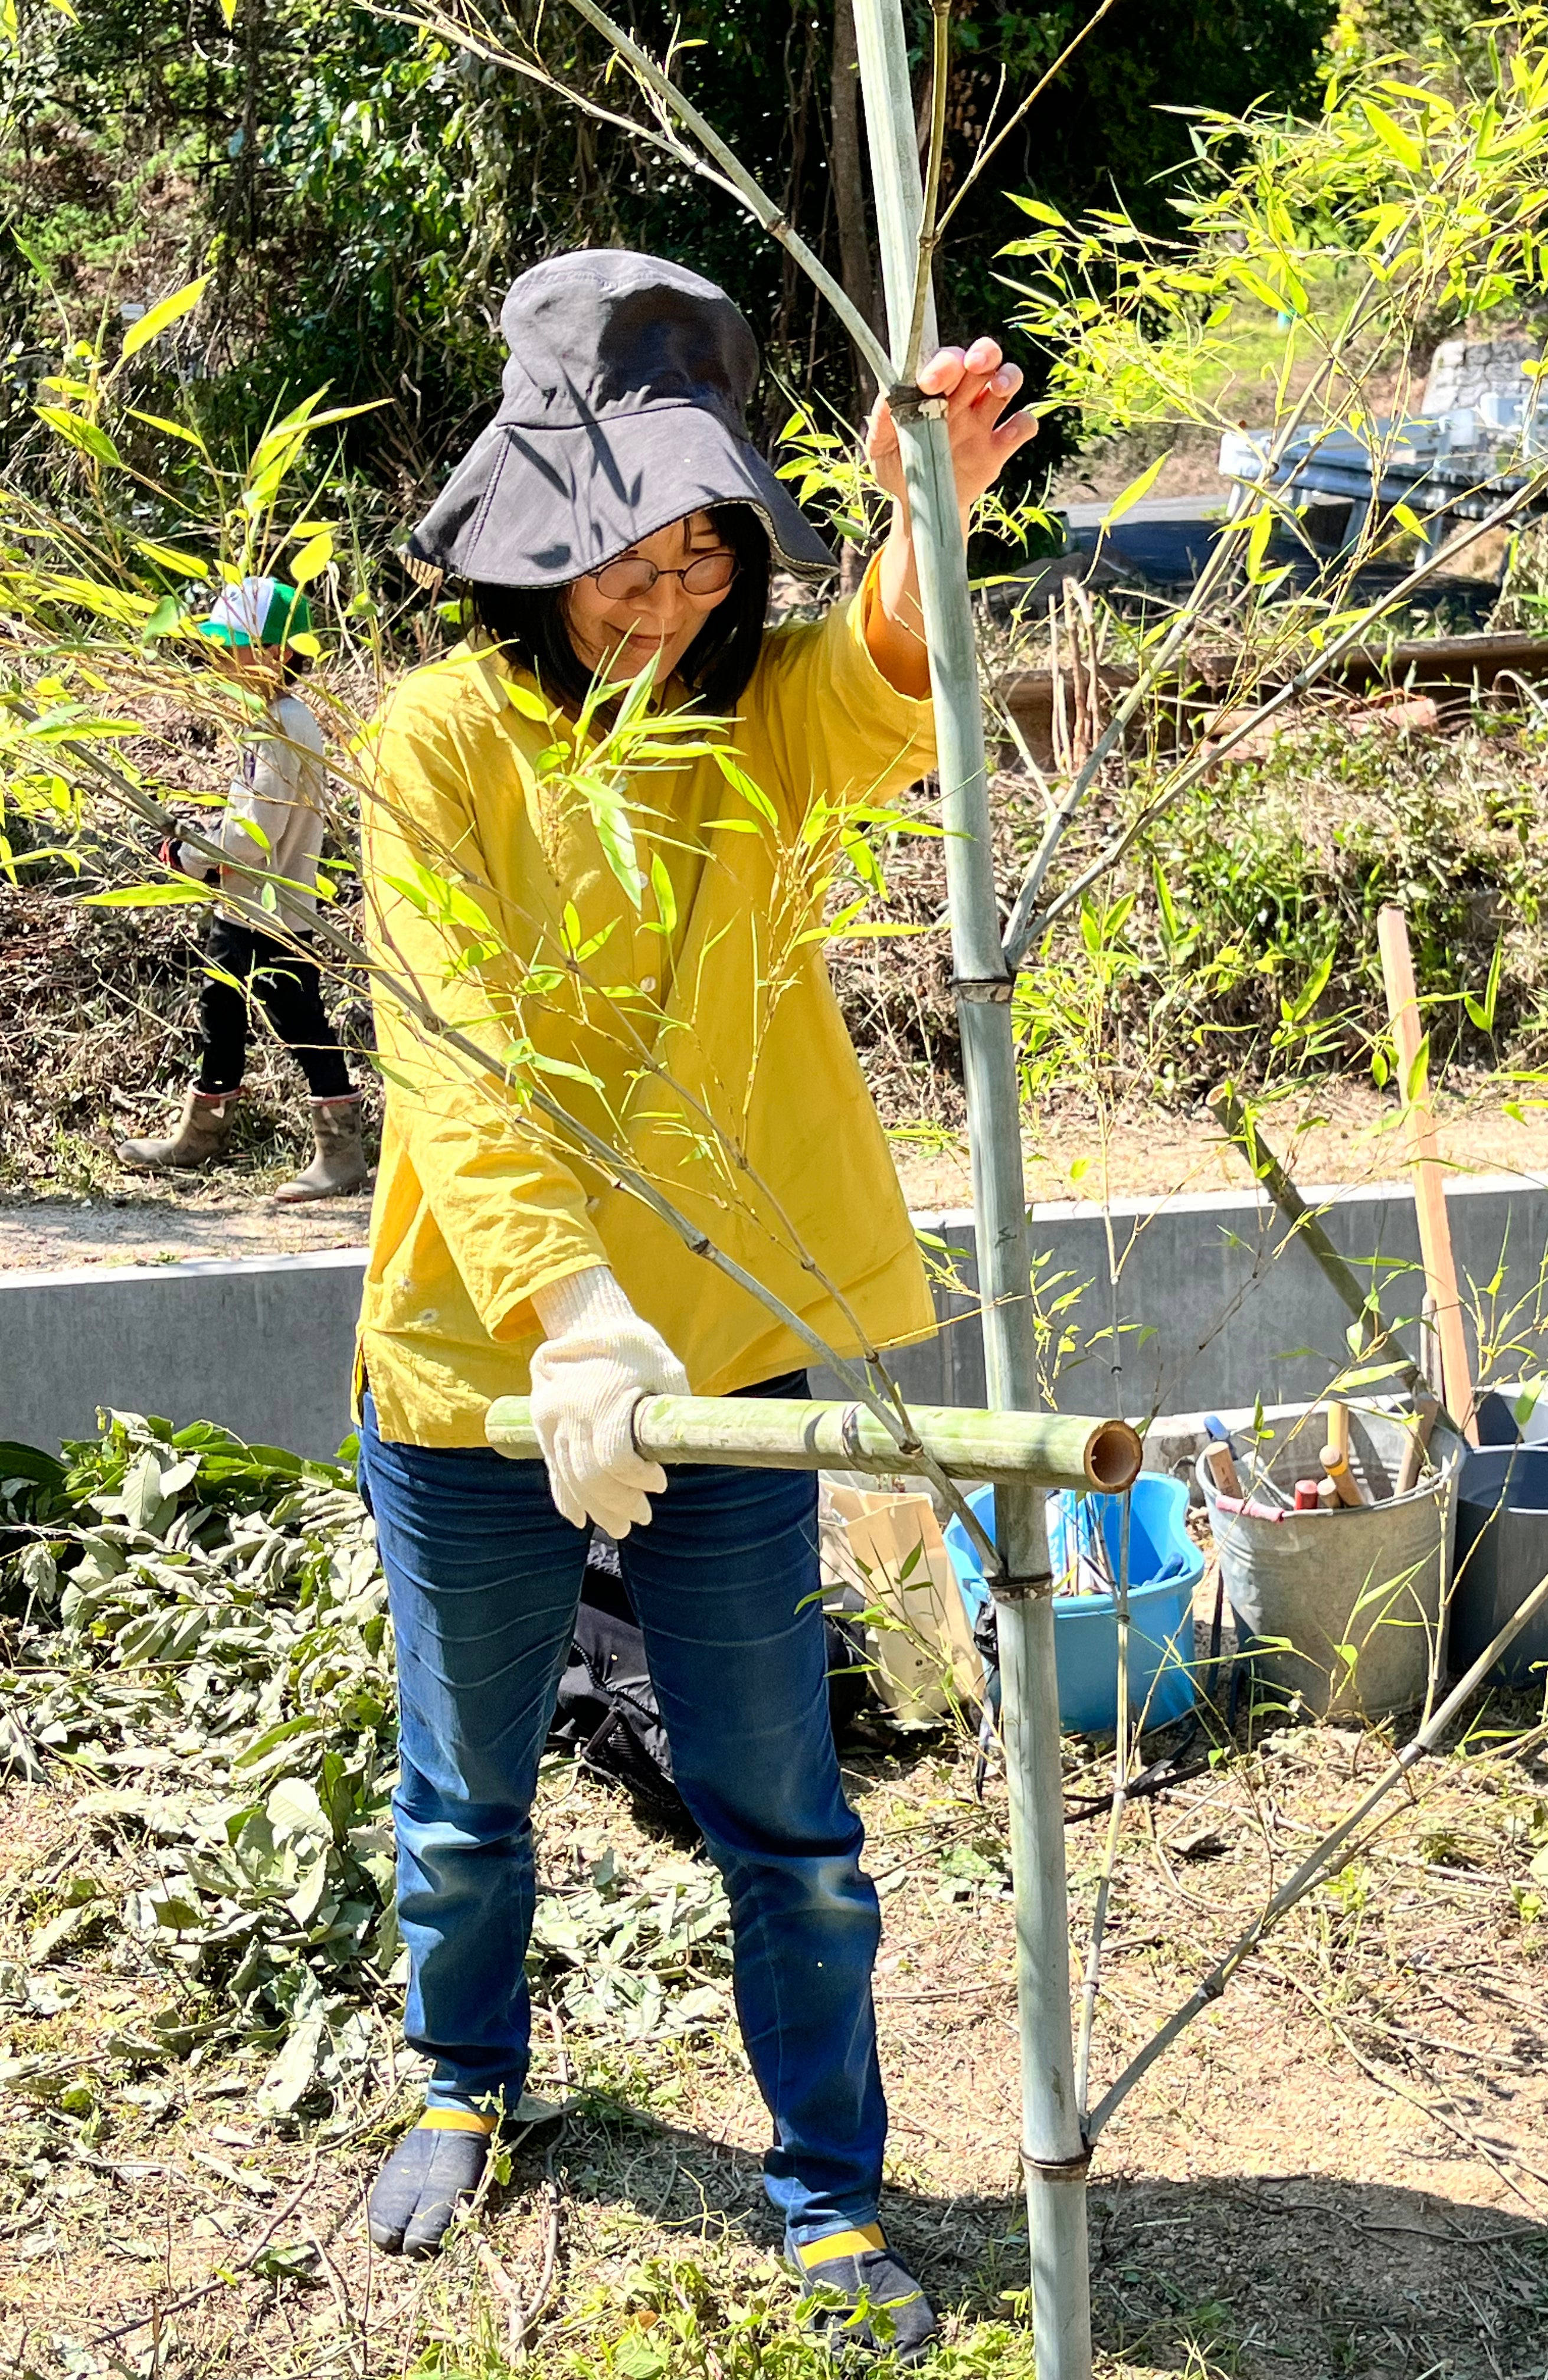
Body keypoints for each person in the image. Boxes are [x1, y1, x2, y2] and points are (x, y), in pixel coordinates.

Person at [352, 249, 1034, 2359]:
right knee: (466, 1788)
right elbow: (450, 1062)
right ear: (524, 542)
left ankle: (827, 2184)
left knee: (785, 1807)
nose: (655, 601)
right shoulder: (431, 747)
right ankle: (463, 2076)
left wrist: (922, 526)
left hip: (726, 1369)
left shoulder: (753, 714)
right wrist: (566, 1314)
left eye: (696, 552)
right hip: (484, 1371)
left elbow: (877, 698)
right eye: (607, 560)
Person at [116, 577, 368, 1203]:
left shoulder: (280, 727)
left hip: (273, 909)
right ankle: (199, 1137)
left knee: (299, 1020)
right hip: (249, 903)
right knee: (220, 1012)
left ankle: (341, 1153)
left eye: (237, 646)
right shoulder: (272, 718)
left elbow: (254, 835)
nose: (223, 659)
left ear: (278, 653)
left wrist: (193, 855)